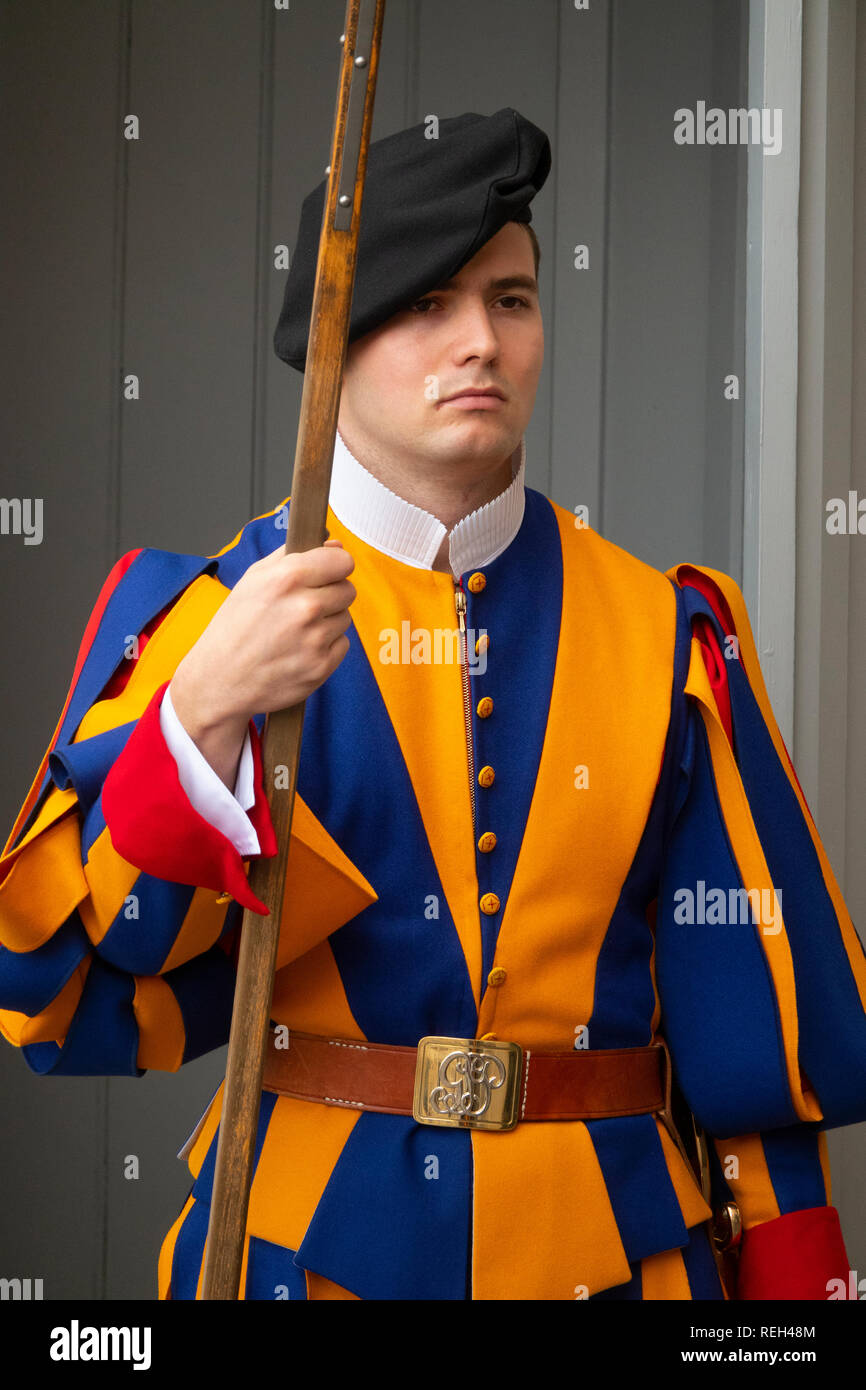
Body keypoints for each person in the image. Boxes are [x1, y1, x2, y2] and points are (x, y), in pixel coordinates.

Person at [2, 108, 866, 1302]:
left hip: (623, 1262)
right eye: (425, 302)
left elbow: (756, 1055)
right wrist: (195, 716)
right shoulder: (198, 623)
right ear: (330, 340)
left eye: (510, 299)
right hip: (298, 1261)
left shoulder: (668, 636)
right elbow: (62, 995)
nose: (481, 343)